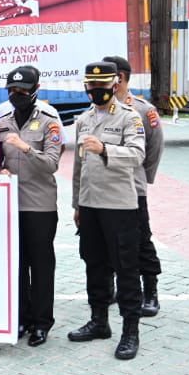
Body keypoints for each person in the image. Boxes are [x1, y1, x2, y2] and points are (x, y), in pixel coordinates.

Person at [69, 62, 146, 360]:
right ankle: (99, 320)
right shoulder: (83, 120)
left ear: (114, 85)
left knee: (126, 268)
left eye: (102, 86)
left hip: (119, 205)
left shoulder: (129, 117)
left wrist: (105, 149)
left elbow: (138, 155)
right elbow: (78, 167)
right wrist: (77, 203)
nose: (97, 91)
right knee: (94, 264)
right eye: (92, 86)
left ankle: (130, 330)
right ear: (86, 87)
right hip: (90, 205)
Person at [0, 67, 62, 347]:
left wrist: (25, 148)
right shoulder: (1, 122)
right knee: (17, 265)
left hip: (40, 205)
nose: (16, 95)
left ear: (36, 89)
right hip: (11, 206)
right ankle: (21, 318)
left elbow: (52, 164)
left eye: (22, 90)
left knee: (42, 266)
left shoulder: (50, 121)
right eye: (12, 90)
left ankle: (42, 323)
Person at [105, 55, 165, 317]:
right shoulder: (98, 106)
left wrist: (142, 178)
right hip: (104, 188)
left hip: (132, 187)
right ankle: (121, 288)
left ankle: (150, 291)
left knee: (141, 240)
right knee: (111, 242)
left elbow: (154, 148)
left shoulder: (142, 109)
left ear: (120, 77)